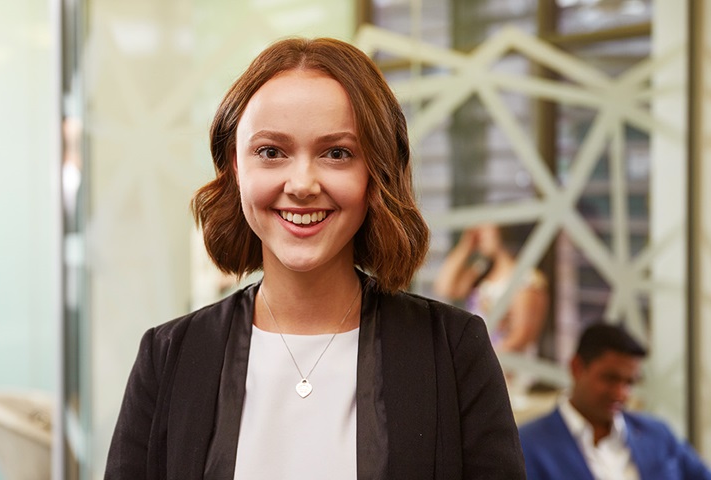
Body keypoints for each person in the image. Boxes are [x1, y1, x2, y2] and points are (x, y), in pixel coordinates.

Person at [105, 37, 525, 479]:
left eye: (336, 153)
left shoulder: (453, 352)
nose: (302, 183)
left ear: (375, 172)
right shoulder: (169, 356)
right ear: (235, 166)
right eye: (271, 152)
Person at [518, 323, 711, 480]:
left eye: (629, 383)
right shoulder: (527, 445)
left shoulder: (657, 434)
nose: (621, 393)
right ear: (577, 368)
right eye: (610, 379)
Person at [433, 223, 549, 355]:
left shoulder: (527, 279)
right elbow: (444, 287)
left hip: (505, 367)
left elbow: (521, 336)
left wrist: (481, 361)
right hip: (482, 359)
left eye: (486, 229)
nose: (479, 234)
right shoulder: (482, 270)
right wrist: (465, 247)